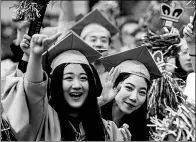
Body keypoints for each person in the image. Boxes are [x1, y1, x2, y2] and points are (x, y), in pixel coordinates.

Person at [1, 30, 126, 141]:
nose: (77, 85)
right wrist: (35, 56)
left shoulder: (108, 130)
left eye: (83, 78)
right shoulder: (43, 121)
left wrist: (101, 101)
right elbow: (33, 90)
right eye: (69, 78)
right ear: (56, 84)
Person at [99, 46, 162, 140]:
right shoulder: (95, 112)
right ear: (115, 85)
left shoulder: (143, 125)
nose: (134, 98)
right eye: (129, 88)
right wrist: (100, 102)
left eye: (142, 92)